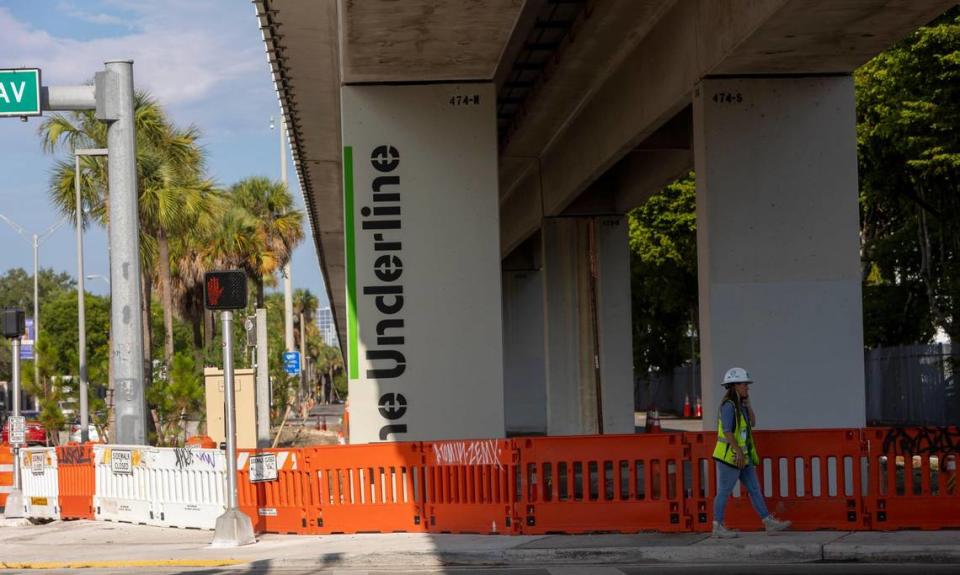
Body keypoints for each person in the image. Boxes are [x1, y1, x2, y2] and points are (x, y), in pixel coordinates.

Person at [711, 367, 791, 538]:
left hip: (742, 457)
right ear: (735, 385)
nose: (747, 387)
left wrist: (749, 405)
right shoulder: (728, 406)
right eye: (744, 384)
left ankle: (768, 523)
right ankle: (717, 527)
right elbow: (727, 431)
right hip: (730, 457)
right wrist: (738, 451)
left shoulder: (740, 405)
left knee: (754, 488)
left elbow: (753, 423)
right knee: (724, 491)